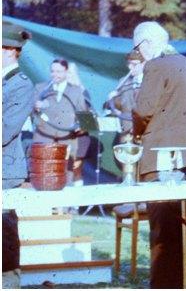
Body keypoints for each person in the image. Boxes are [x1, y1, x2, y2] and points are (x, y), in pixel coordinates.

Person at [131, 21, 186, 288]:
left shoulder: (155, 65)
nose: (139, 54)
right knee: (176, 223)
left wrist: (135, 131)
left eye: (137, 48)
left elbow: (143, 109)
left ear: (146, 43)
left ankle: (164, 284)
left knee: (162, 226)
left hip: (161, 152)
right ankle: (177, 281)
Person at [2, 21, 35, 289]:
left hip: (5, 169)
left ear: (11, 50)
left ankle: (9, 284)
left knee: (4, 232)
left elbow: (6, 130)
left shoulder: (21, 85)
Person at [32, 58, 90, 186]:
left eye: (59, 71)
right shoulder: (40, 88)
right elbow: (31, 110)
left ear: (66, 72)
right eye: (52, 71)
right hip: (44, 136)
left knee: (66, 175)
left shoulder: (76, 91)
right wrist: (35, 106)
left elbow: (84, 115)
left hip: (67, 138)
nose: (55, 74)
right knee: (44, 173)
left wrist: (80, 126)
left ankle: (65, 198)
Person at [104, 49, 145, 141]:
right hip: (127, 133)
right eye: (128, 64)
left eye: (134, 64)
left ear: (143, 64)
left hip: (145, 131)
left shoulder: (150, 80)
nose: (130, 67)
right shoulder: (123, 81)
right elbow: (118, 107)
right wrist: (112, 100)